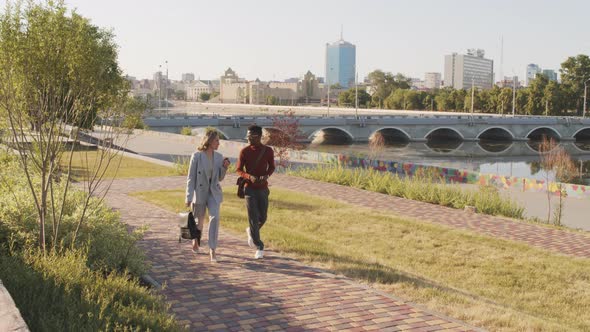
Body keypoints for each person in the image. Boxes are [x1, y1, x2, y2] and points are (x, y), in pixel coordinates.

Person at [185, 129, 230, 263]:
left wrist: (225, 167)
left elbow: (220, 178)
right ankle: (195, 241)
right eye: (217, 140)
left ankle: (212, 250)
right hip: (199, 192)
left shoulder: (219, 157)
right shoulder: (197, 156)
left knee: (215, 218)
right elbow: (191, 178)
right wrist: (188, 196)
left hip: (213, 193)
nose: (219, 143)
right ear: (209, 141)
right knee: (198, 221)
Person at [236, 125, 275, 259]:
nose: (248, 138)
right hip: (249, 189)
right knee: (253, 217)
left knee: (262, 217)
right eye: (247, 136)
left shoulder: (268, 151)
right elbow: (239, 170)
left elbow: (272, 167)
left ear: (259, 137)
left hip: (263, 188)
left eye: (251, 136)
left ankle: (251, 231)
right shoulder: (244, 151)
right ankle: (259, 246)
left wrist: (266, 175)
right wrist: (248, 177)